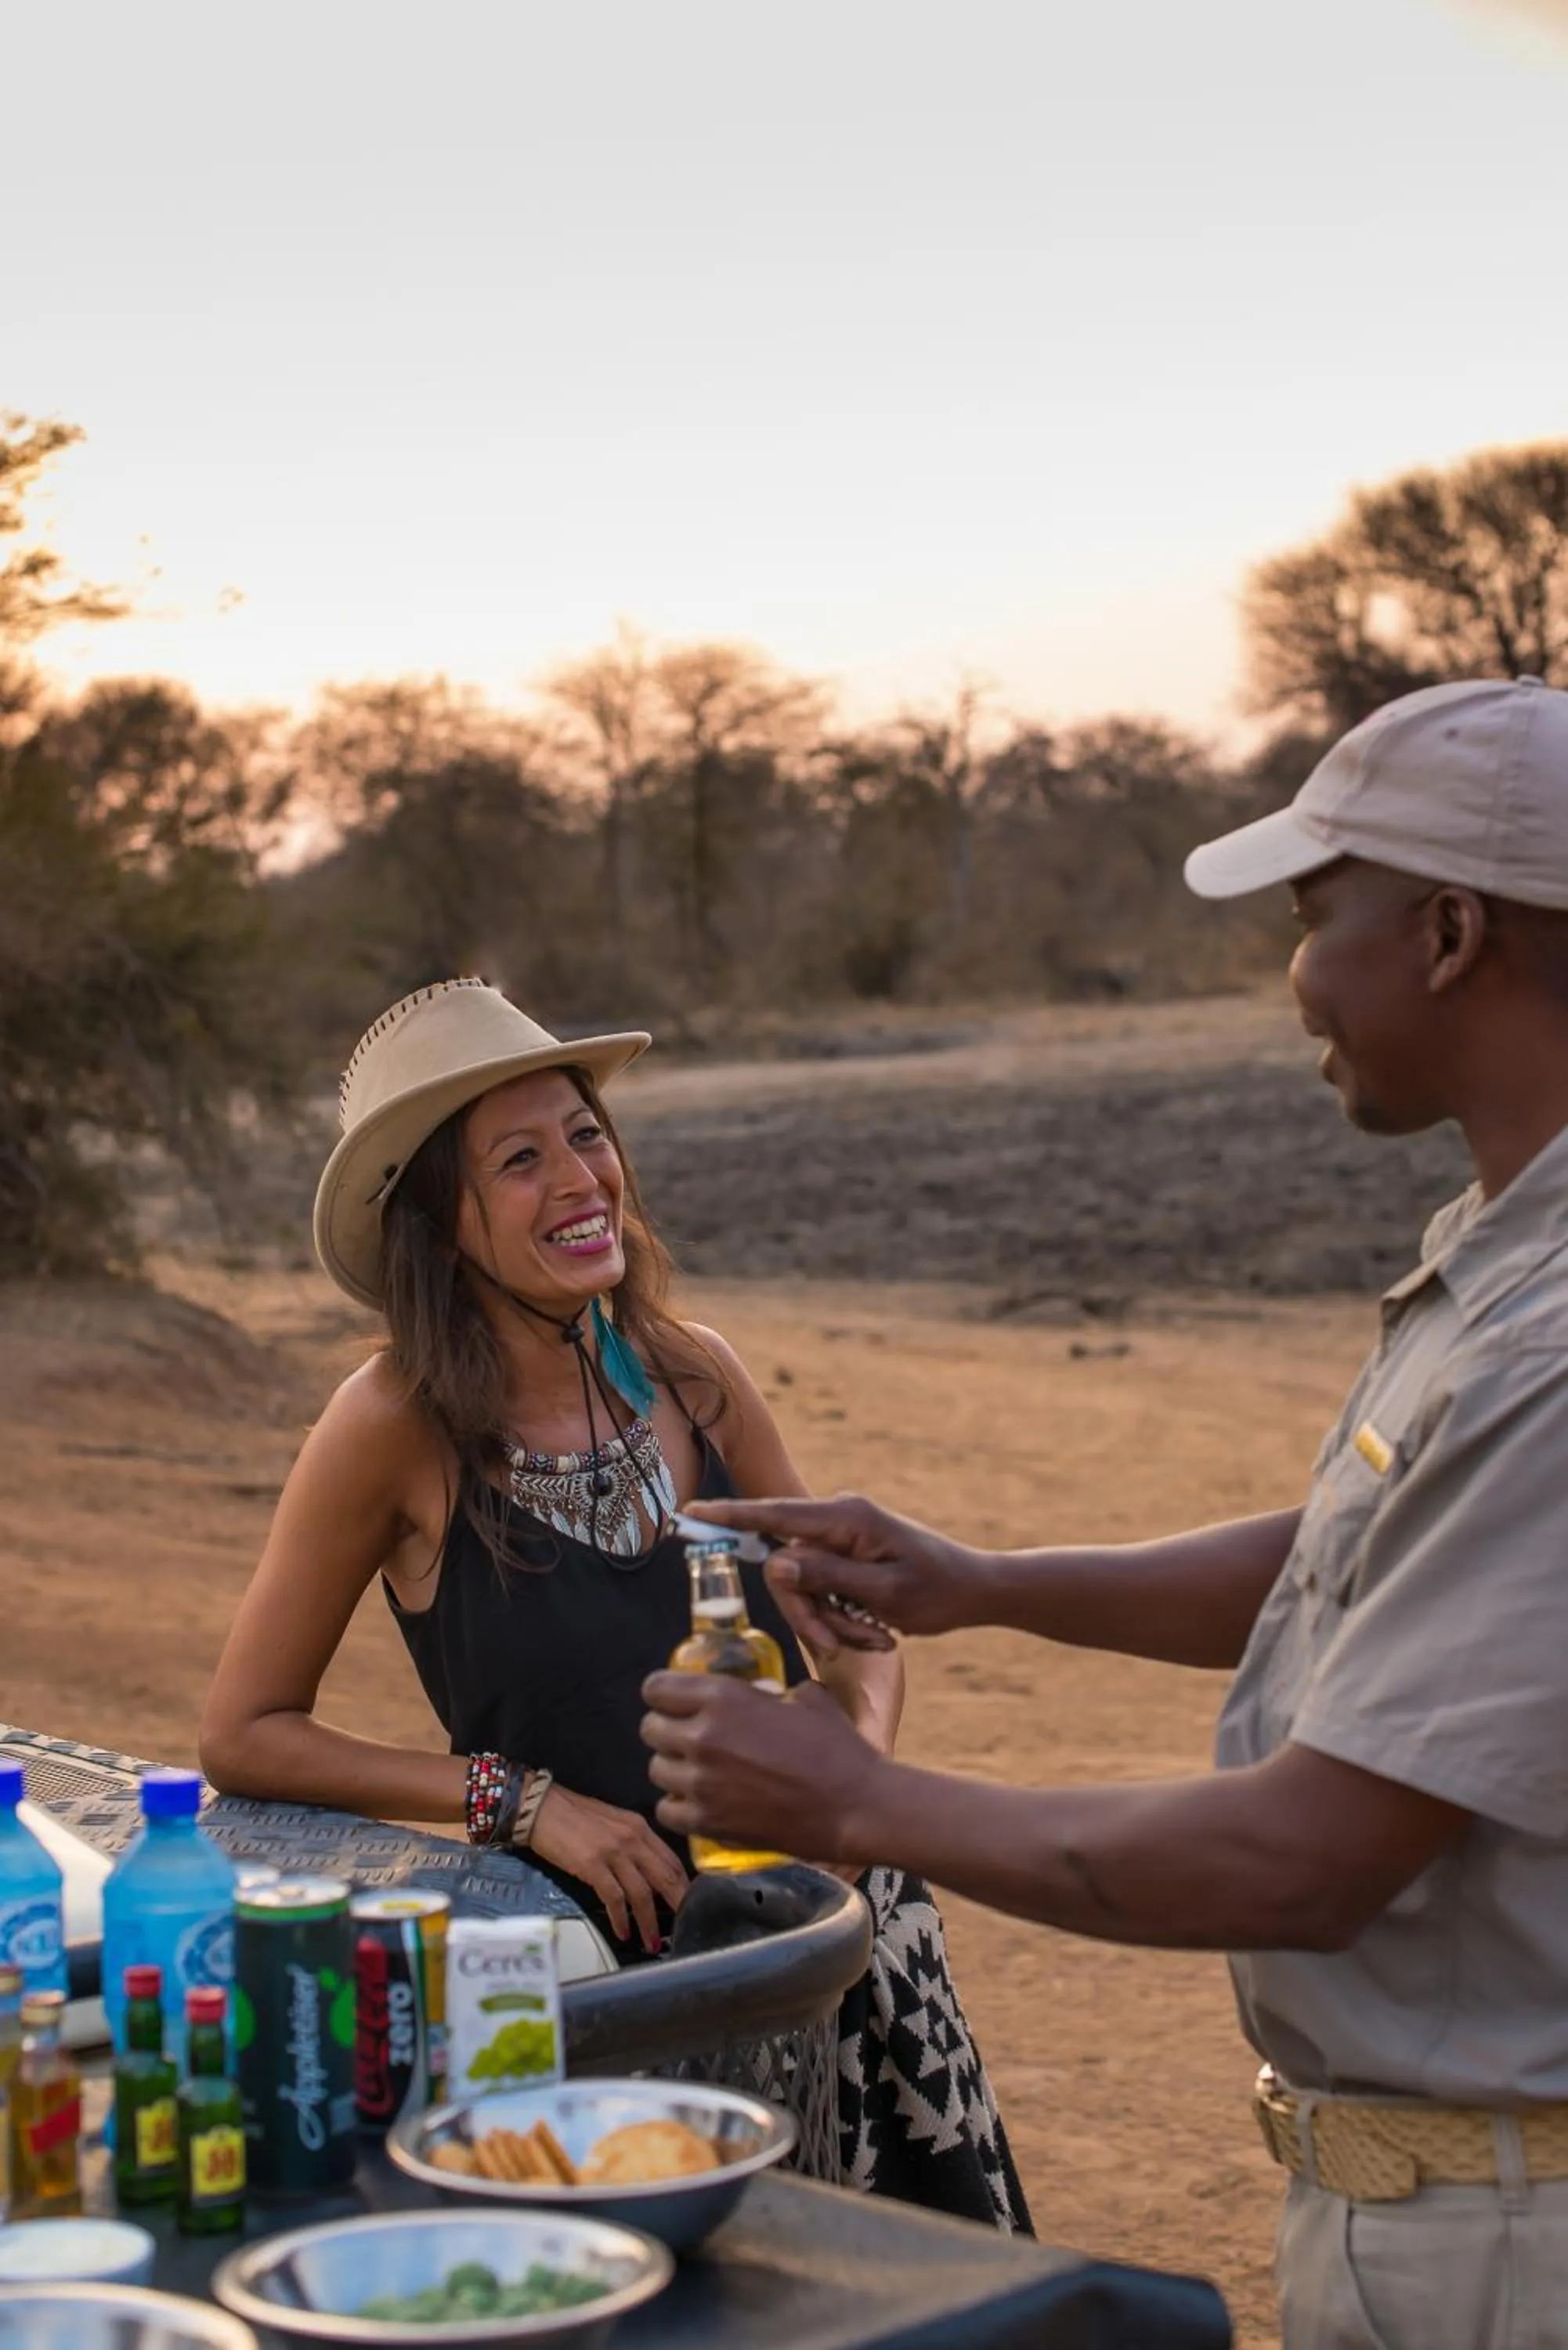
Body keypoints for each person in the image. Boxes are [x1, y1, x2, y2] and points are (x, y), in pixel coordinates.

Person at [641, 675, 1568, 2348]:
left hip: (1511, 2248)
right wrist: (980, 1581)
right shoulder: (1501, 1264)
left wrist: (860, 1799)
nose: (1293, 978)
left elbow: (1303, 1862)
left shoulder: (1551, 1345)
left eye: (1309, 915)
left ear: (1444, 933)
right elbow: (1357, 1563)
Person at [198, 978, 1029, 2231]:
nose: (580, 1180)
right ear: (439, 1220)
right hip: (607, 1980)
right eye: (519, 1160)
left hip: (833, 1943)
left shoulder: (698, 1375)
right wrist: (522, 1804)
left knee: (917, 2291)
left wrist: (853, 1779)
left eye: (585, 1133)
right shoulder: (388, 1428)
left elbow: (850, 1637)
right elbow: (244, 1732)